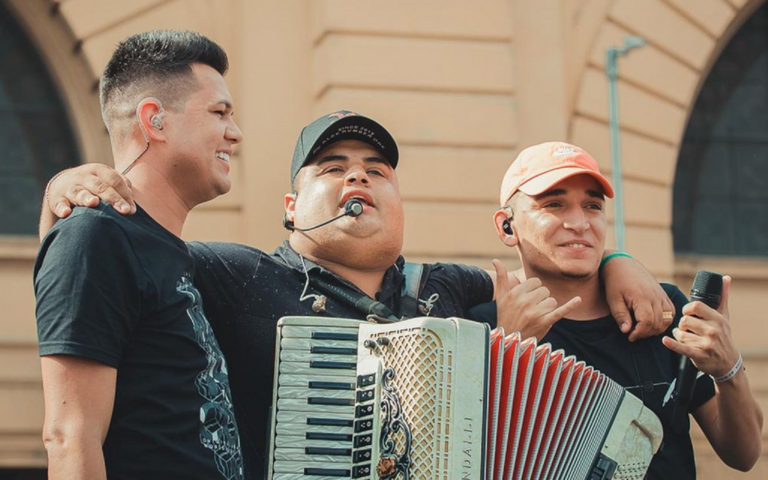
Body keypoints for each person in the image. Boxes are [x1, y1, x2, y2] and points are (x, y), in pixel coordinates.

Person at [39, 112, 674, 478]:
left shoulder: (446, 287)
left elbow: (553, 268)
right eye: (333, 166)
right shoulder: (233, 275)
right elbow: (125, 260)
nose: (357, 175)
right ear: (292, 208)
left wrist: (620, 262)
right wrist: (68, 187)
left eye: (376, 169)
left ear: (399, 201)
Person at [34, 31, 244, 479]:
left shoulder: (171, 254)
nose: (235, 132)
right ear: (155, 120)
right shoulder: (97, 237)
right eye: (219, 113)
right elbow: (70, 436)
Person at [482, 142, 763, 478]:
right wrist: (505, 349)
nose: (579, 222)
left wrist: (727, 368)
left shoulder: (663, 308)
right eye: (554, 204)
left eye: (592, 206)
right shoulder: (487, 324)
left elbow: (743, 454)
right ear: (507, 226)